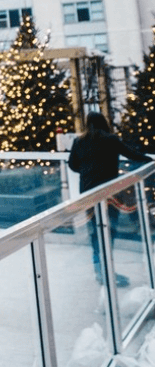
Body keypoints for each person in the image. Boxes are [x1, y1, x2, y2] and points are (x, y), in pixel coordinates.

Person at [67, 112, 149, 286]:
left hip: (88, 195)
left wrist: (87, 171)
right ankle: (107, 271)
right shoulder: (111, 139)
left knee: (95, 233)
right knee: (109, 231)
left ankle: (100, 271)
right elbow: (131, 154)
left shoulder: (79, 141)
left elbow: (72, 165)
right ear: (104, 122)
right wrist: (148, 160)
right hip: (110, 194)